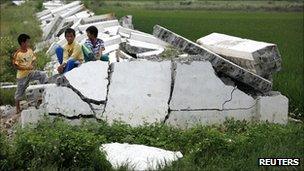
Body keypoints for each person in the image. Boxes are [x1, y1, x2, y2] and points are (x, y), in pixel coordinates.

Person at [12, 34, 48, 114]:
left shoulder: (30, 50)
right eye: (27, 42)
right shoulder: (18, 54)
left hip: (31, 73)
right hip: (22, 76)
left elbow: (33, 59)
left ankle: (44, 93)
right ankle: (17, 109)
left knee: (42, 75)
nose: (28, 43)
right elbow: (16, 66)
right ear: (22, 43)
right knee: (19, 92)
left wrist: (32, 65)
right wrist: (26, 68)